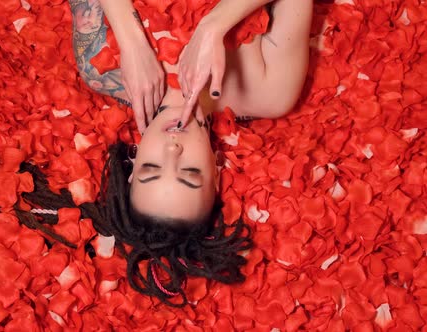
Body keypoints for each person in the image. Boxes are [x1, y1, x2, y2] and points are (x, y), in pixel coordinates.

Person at [16, 0, 313, 306]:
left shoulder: (99, 67)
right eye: (190, 172)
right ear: (215, 170)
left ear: (133, 160)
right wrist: (217, 23)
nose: (173, 148)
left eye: (152, 168)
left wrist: (129, 37)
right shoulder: (269, 91)